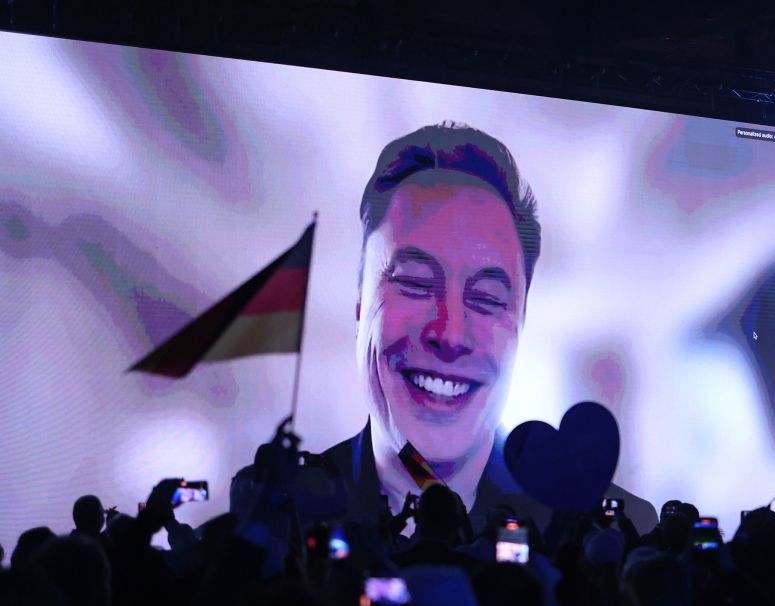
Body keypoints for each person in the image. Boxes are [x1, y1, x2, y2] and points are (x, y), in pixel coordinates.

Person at [232, 123, 655, 532]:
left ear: (522, 322)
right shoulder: (276, 520)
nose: (450, 334)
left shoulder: (606, 533)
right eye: (415, 283)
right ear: (360, 303)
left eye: (487, 299)